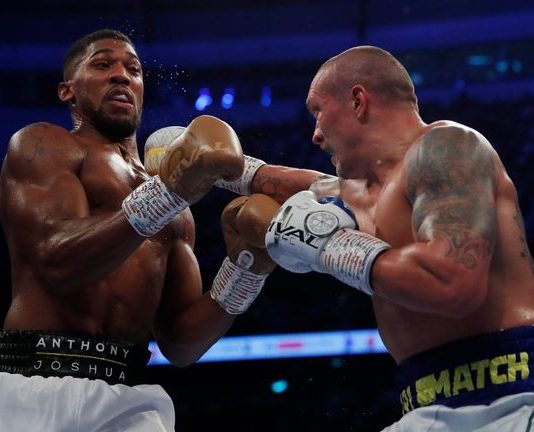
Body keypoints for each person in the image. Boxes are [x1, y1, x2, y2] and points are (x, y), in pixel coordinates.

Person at [151, 45, 534, 430]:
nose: (315, 135)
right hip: (424, 405)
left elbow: (453, 283)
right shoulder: (367, 192)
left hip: (511, 397)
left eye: (317, 111)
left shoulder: (448, 147)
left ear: (357, 100)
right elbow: (283, 180)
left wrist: (328, 246)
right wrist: (201, 161)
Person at [0, 28, 279, 431]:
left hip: (129, 395)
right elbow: (57, 263)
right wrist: (169, 193)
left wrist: (246, 269)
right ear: (67, 91)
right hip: (35, 384)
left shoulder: (177, 210)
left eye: (133, 69)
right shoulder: (43, 144)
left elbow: (180, 343)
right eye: (102, 64)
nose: (121, 75)